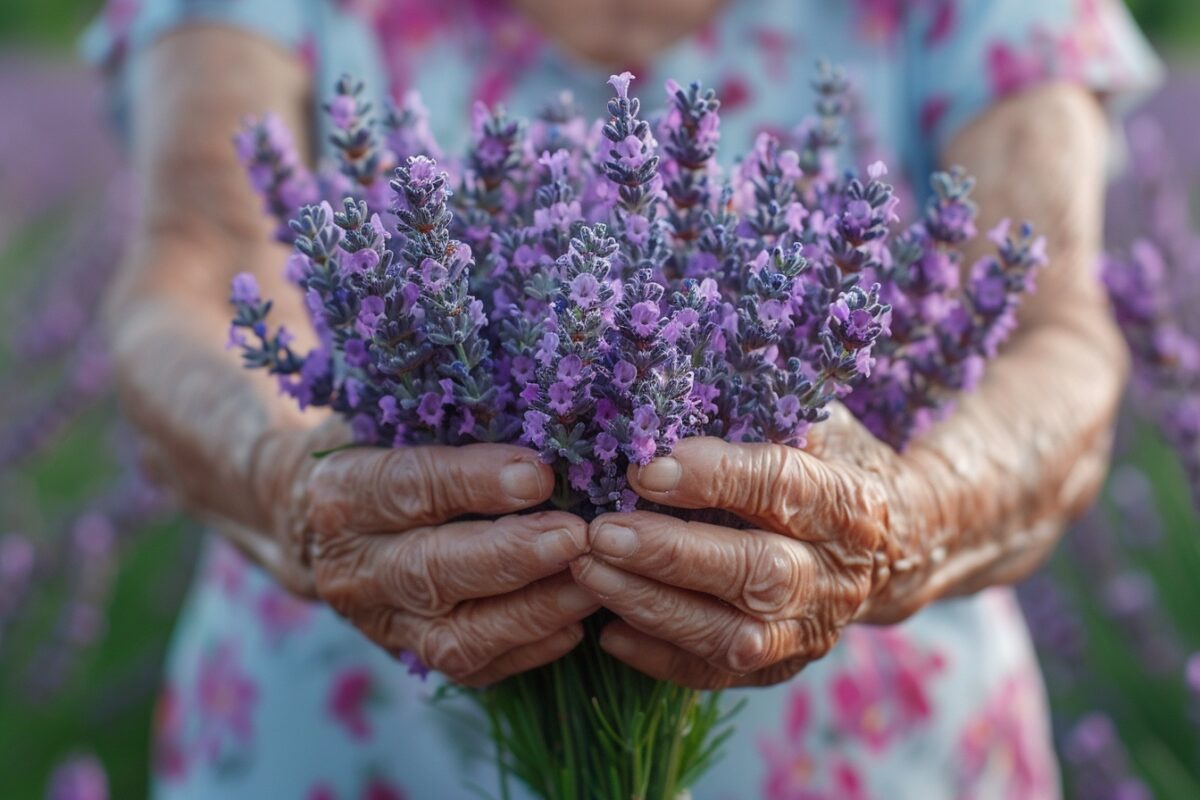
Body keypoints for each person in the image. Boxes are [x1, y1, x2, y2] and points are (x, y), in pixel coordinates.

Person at [84, 0, 1160, 797]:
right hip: (351, 722)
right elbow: (195, 264)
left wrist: (905, 519)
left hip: (872, 742)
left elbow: (1049, 324)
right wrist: (287, 480)